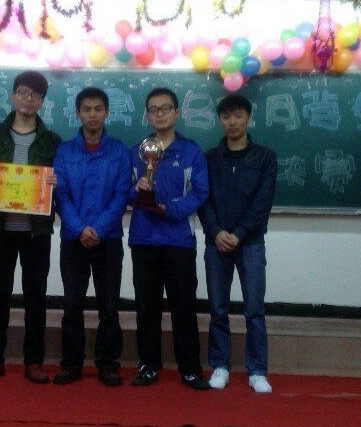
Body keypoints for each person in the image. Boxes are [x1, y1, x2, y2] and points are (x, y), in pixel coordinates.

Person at [0, 70, 61, 384]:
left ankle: (34, 362)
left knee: (36, 296)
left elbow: (61, 183)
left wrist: (55, 182)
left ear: (42, 102)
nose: (28, 98)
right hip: (0, 229)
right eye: (22, 92)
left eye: (35, 95)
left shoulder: (52, 140)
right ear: (13, 96)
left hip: (37, 231)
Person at [128, 87, 209, 390]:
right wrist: (136, 190)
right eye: (153, 109)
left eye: (165, 108)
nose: (159, 113)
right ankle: (149, 365)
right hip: (144, 239)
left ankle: (190, 369)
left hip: (178, 240)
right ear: (147, 115)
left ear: (177, 112)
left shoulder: (191, 152)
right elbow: (124, 190)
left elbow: (200, 192)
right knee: (146, 308)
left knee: (183, 307)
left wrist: (170, 209)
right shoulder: (137, 151)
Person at [198, 94, 277, 393]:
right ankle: (220, 365)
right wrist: (216, 231)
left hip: (251, 243)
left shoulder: (265, 158)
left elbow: (262, 202)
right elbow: (203, 199)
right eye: (226, 116)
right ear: (220, 120)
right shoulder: (210, 158)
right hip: (216, 244)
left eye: (238, 115)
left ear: (248, 118)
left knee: (254, 310)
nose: (232, 122)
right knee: (218, 309)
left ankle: (257, 370)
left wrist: (240, 233)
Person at [52, 87, 131, 386]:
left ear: (107, 112)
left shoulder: (120, 151)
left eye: (98, 109)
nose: (93, 114)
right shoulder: (64, 151)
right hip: (73, 240)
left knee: (109, 306)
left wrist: (97, 229)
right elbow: (61, 194)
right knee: (72, 304)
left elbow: (121, 195)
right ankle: (71, 364)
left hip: (108, 240)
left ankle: (108, 364)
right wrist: (79, 228)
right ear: (78, 113)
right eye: (87, 109)